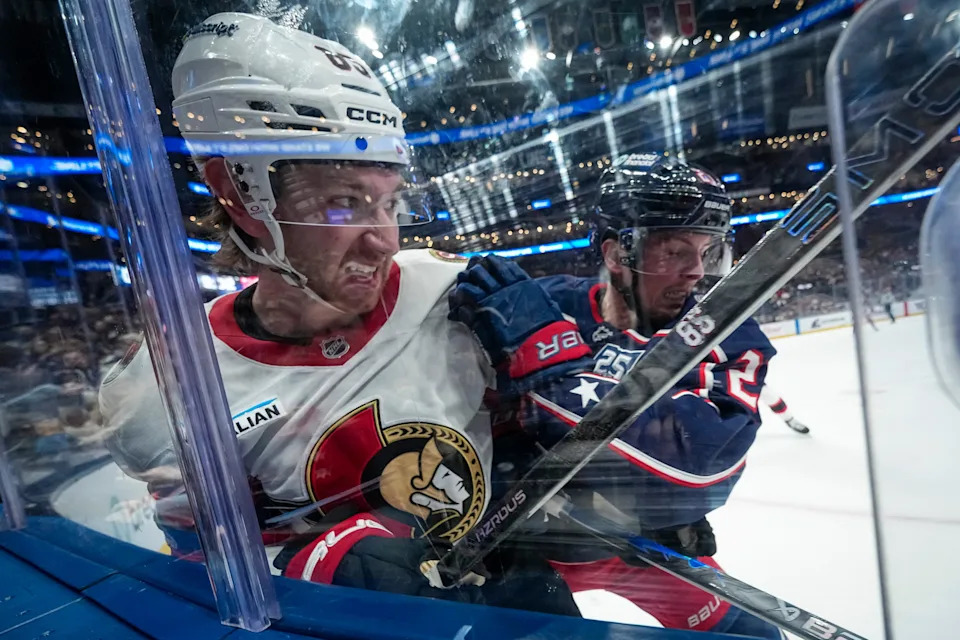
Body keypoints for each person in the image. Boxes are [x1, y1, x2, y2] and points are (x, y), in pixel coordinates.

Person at [98, 12, 587, 615]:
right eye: (342, 205)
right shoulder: (168, 384)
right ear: (243, 196)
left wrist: (552, 409)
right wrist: (313, 573)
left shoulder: (456, 295)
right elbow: (200, 576)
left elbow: (559, 446)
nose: (383, 240)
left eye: (389, 203)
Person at [452, 153, 783, 638]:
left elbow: (695, 468)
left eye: (708, 251)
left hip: (640, 546)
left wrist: (547, 366)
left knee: (753, 635)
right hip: (521, 547)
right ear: (615, 253)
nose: (696, 272)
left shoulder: (726, 333)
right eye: (674, 251)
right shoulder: (541, 301)